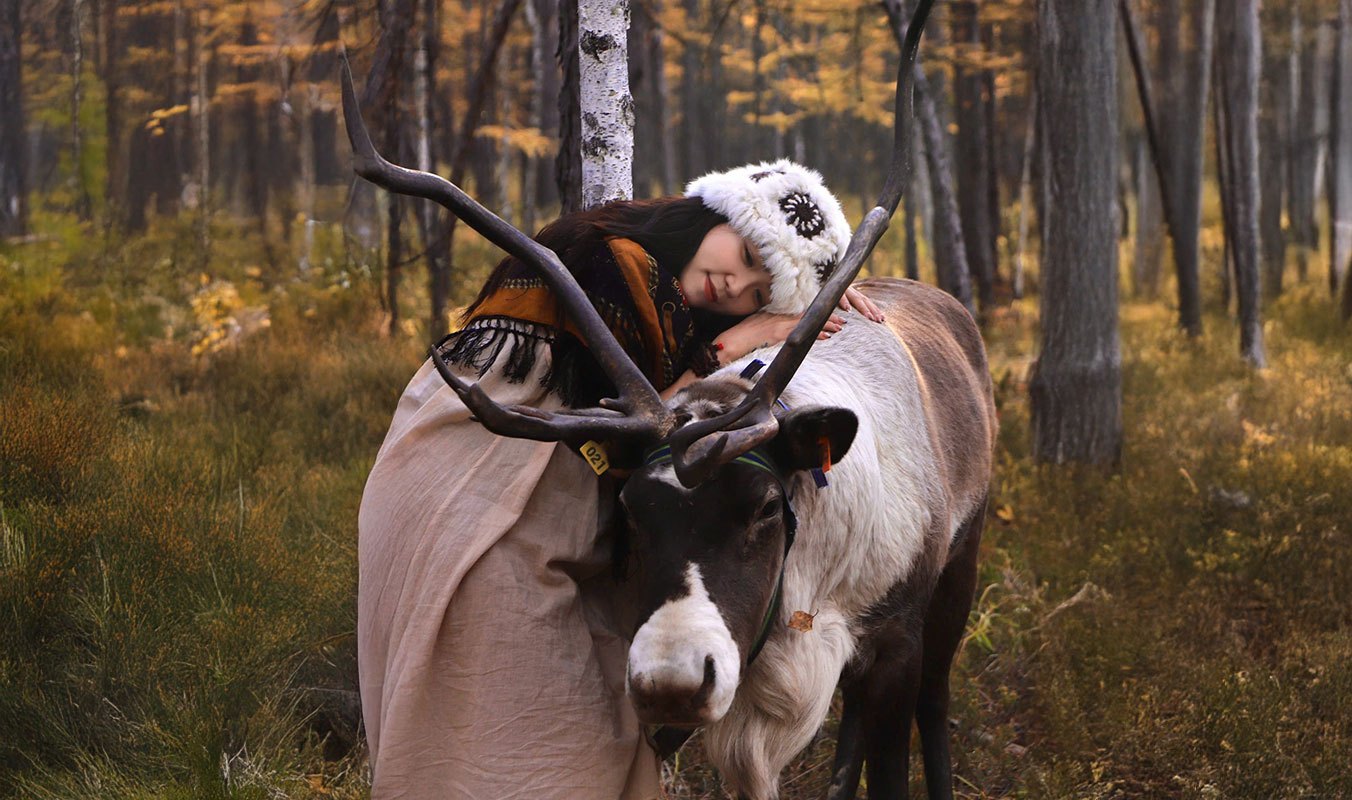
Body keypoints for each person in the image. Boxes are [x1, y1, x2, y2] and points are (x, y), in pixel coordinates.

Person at [357, 160, 883, 799]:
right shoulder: (606, 260)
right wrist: (742, 336)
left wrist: (821, 292)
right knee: (492, 674)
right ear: (714, 214)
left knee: (578, 693)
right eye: (745, 251)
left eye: (756, 289)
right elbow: (644, 422)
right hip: (476, 480)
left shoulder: (672, 305)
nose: (733, 282)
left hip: (553, 501)